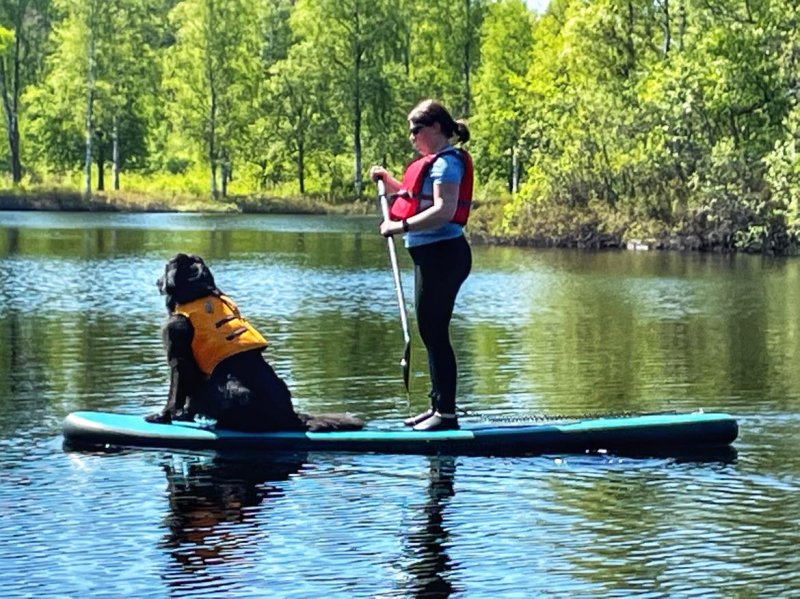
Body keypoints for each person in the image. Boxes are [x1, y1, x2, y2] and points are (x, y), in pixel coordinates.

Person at [146, 253, 363, 432]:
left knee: (191, 369)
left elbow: (182, 371)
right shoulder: (222, 306)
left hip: (240, 408)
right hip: (275, 402)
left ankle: (178, 412)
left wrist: (169, 412)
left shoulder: (179, 323)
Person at [369, 99, 473, 432]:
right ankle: (437, 407)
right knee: (430, 331)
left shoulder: (447, 165)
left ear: (436, 128)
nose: (412, 137)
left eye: (416, 130)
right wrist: (388, 180)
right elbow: (414, 197)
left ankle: (446, 414)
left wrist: (399, 227)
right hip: (430, 256)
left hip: (445, 255)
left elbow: (444, 210)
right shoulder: (432, 163)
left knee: (434, 331)